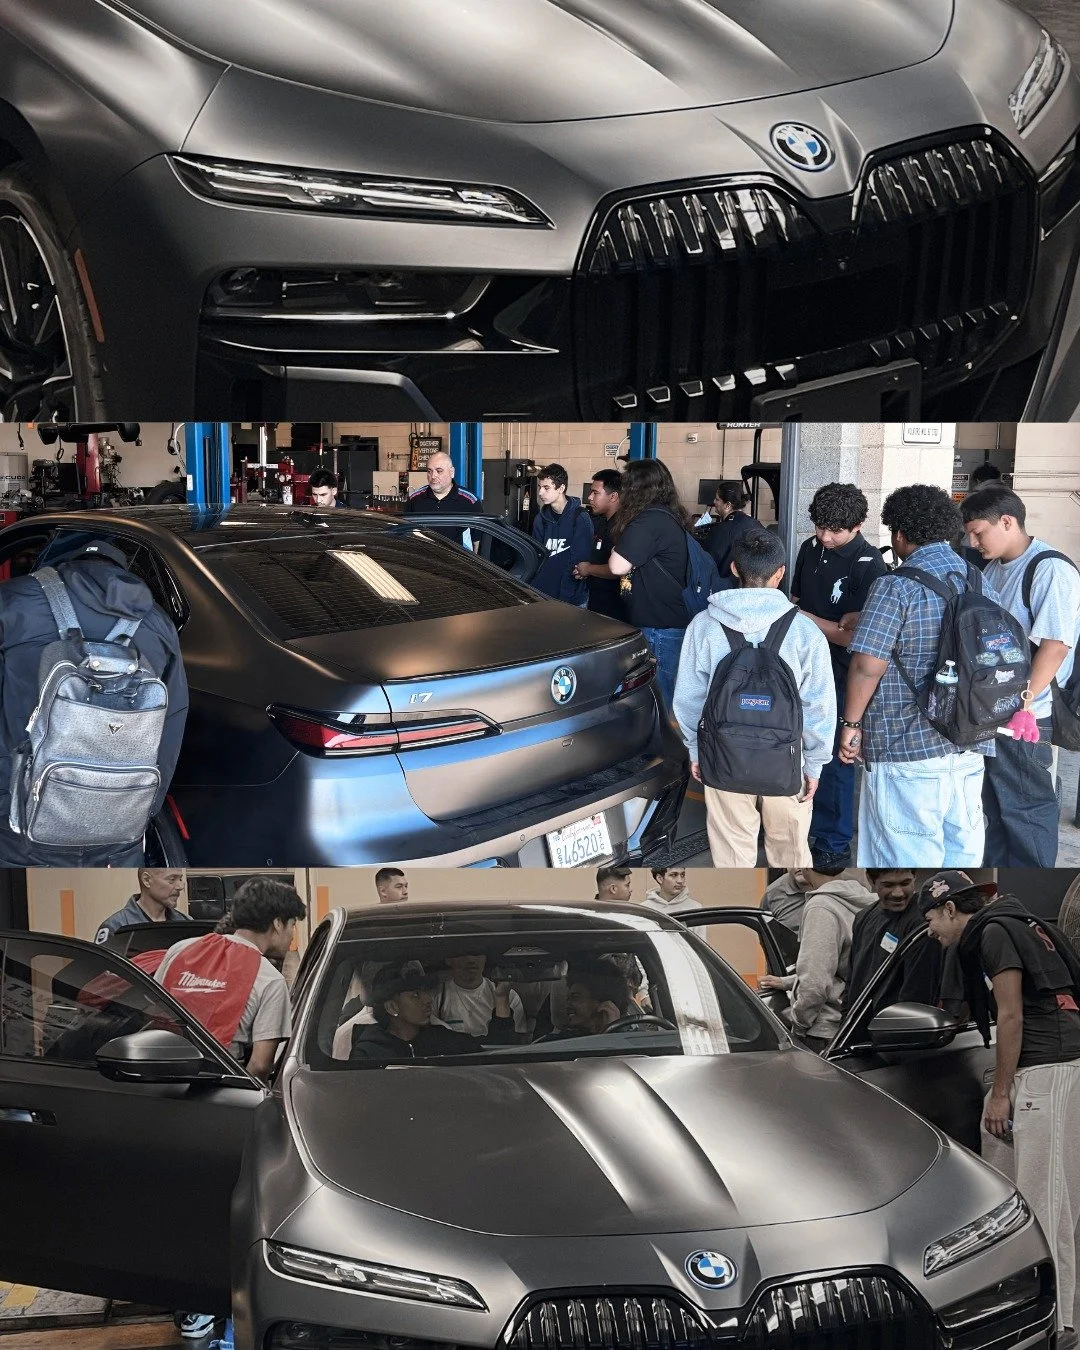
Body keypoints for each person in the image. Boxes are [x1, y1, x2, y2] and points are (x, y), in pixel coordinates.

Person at [921, 872, 1080, 1346]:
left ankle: (1058, 1325)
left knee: (1042, 1202)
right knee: (1061, 1197)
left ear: (950, 909)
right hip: (1064, 1063)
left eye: (931, 919)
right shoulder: (1020, 921)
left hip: (1045, 1068)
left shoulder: (992, 932)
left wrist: (1002, 1091)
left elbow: (1011, 1014)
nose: (931, 931)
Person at [0, 536, 189, 866]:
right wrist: (142, 808)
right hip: (118, 831)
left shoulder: (13, 601)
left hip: (18, 826)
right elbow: (170, 732)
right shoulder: (159, 625)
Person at [839, 485, 998, 867]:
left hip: (906, 746)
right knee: (960, 858)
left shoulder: (895, 585)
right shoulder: (976, 579)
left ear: (899, 534)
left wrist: (851, 724)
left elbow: (867, 666)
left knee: (906, 861)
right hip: (969, 741)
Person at [673, 531, 835, 867]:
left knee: (732, 855)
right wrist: (814, 763)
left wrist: (695, 750)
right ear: (780, 573)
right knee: (791, 860)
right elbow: (818, 705)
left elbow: (689, 699)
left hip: (723, 758)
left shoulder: (702, 626)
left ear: (733, 568)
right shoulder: (805, 632)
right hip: (788, 763)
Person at [961, 484, 1080, 866]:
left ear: (1008, 521)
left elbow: (1056, 645)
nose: (973, 540)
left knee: (1026, 807)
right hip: (995, 711)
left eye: (978, 531)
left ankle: (1032, 881)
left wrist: (1026, 705)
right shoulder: (993, 569)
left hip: (1026, 717)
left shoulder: (1050, 568)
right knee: (996, 808)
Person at [792, 483, 888, 869]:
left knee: (835, 758)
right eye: (820, 527)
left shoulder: (869, 564)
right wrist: (822, 624)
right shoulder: (809, 549)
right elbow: (797, 601)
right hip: (803, 665)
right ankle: (802, 825)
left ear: (858, 525)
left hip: (844, 674)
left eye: (835, 531)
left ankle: (834, 841)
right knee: (800, 748)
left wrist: (809, 621)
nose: (825, 537)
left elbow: (856, 636)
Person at [155, 876, 305, 1080]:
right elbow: (260, 1065)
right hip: (220, 1088)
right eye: (292, 925)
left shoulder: (181, 949)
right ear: (277, 924)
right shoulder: (270, 980)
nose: (291, 936)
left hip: (159, 1079)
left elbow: (153, 1014)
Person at [607, 460, 694, 712]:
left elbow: (616, 566)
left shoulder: (648, 521)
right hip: (669, 622)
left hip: (659, 628)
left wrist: (617, 550)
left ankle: (663, 749)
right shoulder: (669, 515)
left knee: (660, 698)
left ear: (636, 488)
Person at [759, 863, 876, 1051]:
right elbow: (844, 965)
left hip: (822, 1030)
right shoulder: (858, 895)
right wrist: (788, 982)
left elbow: (816, 982)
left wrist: (798, 1025)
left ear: (807, 868)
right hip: (857, 1021)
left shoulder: (821, 907)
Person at [348, 959, 517, 1062]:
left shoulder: (441, 1040)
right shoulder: (368, 1052)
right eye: (416, 994)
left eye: (426, 991)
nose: (428, 999)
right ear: (392, 1007)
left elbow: (495, 1051)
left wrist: (501, 999)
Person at [844, 868, 941, 1012]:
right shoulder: (863, 917)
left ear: (915, 877)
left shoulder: (924, 923)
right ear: (871, 880)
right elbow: (852, 978)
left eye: (905, 883)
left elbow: (917, 996)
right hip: (855, 1025)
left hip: (893, 1027)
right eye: (888, 885)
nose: (898, 893)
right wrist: (846, 1015)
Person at [530, 463, 594, 606]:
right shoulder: (541, 519)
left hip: (572, 599)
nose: (540, 493)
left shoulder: (580, 518)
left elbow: (580, 562)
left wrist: (568, 597)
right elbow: (536, 557)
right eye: (540, 487)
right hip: (543, 596)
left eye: (546, 488)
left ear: (561, 488)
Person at [433, 953, 528, 1038]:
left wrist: (502, 999)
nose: (471, 960)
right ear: (449, 959)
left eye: (477, 953)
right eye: (463, 953)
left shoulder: (508, 996)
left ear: (485, 957)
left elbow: (519, 1043)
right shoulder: (436, 996)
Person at [573, 469, 626, 619]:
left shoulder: (623, 528)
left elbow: (618, 570)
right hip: (596, 602)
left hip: (614, 609)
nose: (589, 497)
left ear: (613, 496)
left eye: (595, 493)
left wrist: (588, 569)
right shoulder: (601, 522)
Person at [402, 450, 482, 547]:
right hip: (422, 559)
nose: (433, 476)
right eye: (429, 471)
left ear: (451, 472)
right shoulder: (414, 499)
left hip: (454, 561)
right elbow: (404, 535)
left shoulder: (470, 501)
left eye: (439, 471)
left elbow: (477, 541)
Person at [94, 870, 188, 945]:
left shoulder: (186, 923)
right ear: (147, 880)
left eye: (180, 879)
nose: (180, 886)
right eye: (172, 879)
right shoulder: (116, 927)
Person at [701, 481, 765, 580]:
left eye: (717, 499)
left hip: (725, 589)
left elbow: (706, 564)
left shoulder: (720, 530)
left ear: (728, 505)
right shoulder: (757, 524)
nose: (714, 502)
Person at [564, 959, 634, 1035]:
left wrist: (612, 1031)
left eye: (575, 998)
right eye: (568, 999)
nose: (567, 1005)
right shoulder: (561, 1041)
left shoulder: (631, 1039)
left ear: (604, 1003)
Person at [760, 868, 810, 936]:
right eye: (793, 860)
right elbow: (765, 935)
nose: (799, 865)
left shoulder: (827, 884)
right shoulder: (772, 893)